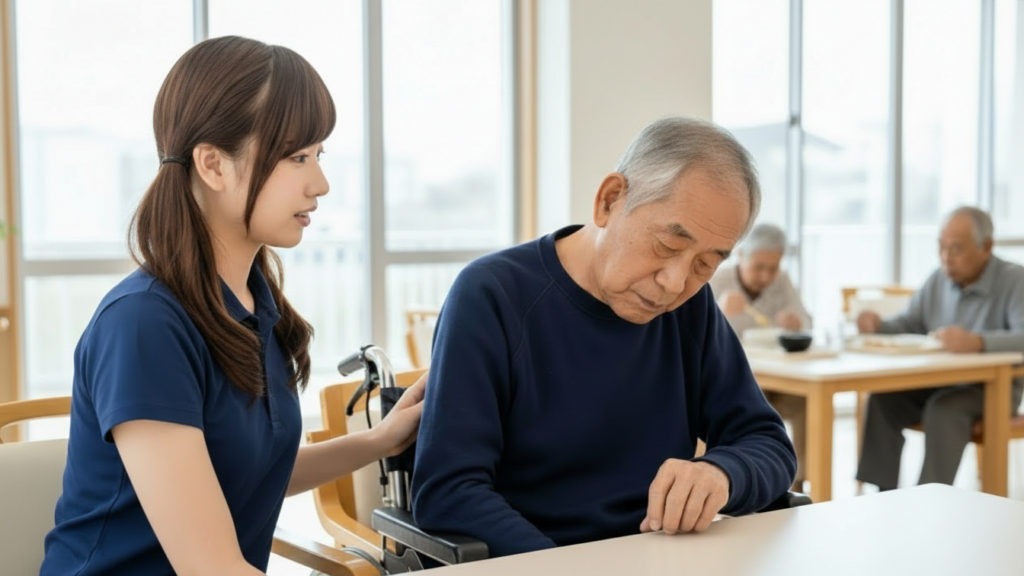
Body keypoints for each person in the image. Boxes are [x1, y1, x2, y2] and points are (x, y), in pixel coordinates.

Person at [40, 36, 425, 576]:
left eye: (318, 155)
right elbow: (213, 567)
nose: (321, 183)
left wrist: (379, 440)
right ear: (214, 165)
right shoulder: (143, 325)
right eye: (297, 157)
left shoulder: (254, 305)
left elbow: (248, 470)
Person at [411, 116, 796, 558]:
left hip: (661, 561)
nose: (675, 283)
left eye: (705, 264)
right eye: (668, 246)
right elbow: (450, 491)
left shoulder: (692, 309)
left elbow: (769, 444)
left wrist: (722, 472)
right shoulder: (492, 295)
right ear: (610, 201)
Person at [855, 206, 1024, 491]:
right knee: (883, 398)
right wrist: (879, 325)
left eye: (956, 249)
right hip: (937, 381)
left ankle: (929, 496)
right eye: (942, 247)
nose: (946, 257)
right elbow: (910, 322)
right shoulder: (939, 279)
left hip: (992, 389)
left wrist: (978, 342)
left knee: (942, 409)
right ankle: (881, 493)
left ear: (987, 247)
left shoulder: (1014, 279)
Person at [708, 222, 811, 492]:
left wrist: (797, 322)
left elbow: (808, 321)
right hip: (737, 378)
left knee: (805, 402)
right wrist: (720, 311)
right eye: (759, 267)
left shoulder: (782, 283)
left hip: (780, 375)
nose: (766, 276)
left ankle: (799, 482)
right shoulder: (717, 281)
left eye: (773, 268)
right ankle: (739, 482)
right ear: (740, 256)